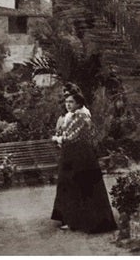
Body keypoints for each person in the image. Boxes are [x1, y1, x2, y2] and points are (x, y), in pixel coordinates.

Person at [50, 89, 116, 234]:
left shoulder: (82, 116)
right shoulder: (70, 116)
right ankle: (71, 219)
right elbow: (63, 132)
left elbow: (72, 136)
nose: (68, 105)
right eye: (66, 102)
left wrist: (58, 139)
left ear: (79, 103)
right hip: (70, 154)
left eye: (71, 102)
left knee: (81, 185)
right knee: (69, 185)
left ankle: (85, 221)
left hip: (81, 156)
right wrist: (60, 137)